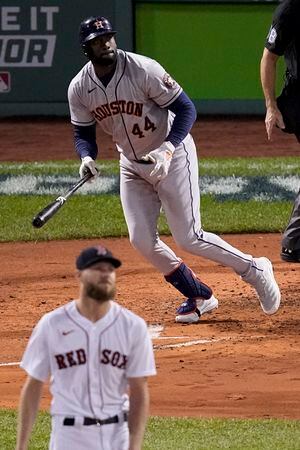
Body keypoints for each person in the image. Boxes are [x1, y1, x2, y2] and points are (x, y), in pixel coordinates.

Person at [68, 15, 281, 324]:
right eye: (98, 41)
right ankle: (198, 295)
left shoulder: (143, 69)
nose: (107, 43)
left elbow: (186, 109)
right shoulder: (79, 88)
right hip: (131, 164)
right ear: (86, 49)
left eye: (109, 37)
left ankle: (254, 269)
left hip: (173, 155)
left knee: (189, 236)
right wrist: (86, 158)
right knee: (141, 238)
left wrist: (167, 149)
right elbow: (83, 133)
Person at [15, 245, 156, 450]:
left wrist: (134, 446)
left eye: (110, 269)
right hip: (70, 437)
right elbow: (33, 385)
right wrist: (21, 446)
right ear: (79, 275)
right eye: (98, 268)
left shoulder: (133, 326)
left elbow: (139, 390)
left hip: (117, 435)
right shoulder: (52, 324)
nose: (106, 274)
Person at [260, 0, 300, 263]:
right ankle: (293, 241)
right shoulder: (290, 9)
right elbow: (269, 58)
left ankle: (294, 242)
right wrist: (271, 106)